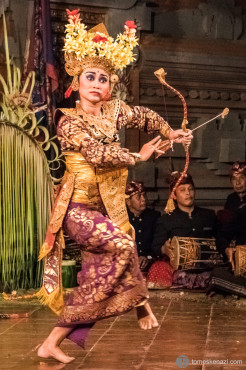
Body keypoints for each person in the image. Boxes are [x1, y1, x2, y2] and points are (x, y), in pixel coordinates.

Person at [37, 10, 193, 364]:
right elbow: (98, 153)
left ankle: (54, 341)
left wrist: (170, 132)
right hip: (76, 209)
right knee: (122, 245)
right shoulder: (67, 122)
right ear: (76, 82)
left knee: (109, 264)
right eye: (90, 77)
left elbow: (146, 116)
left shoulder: (115, 111)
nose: (96, 84)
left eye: (104, 79)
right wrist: (138, 156)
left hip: (104, 205)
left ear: (111, 86)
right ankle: (138, 305)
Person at [148, 172, 218, 289]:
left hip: (206, 265)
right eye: (182, 190)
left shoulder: (208, 215)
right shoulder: (166, 220)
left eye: (190, 189)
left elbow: (220, 238)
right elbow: (156, 246)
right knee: (159, 267)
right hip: (179, 268)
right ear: (174, 196)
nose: (188, 193)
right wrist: (164, 249)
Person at [125, 181, 161, 274]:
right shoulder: (122, 220)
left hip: (150, 264)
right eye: (138, 197)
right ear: (128, 202)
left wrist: (147, 257)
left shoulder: (154, 217)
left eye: (144, 195)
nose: (143, 199)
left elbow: (158, 244)